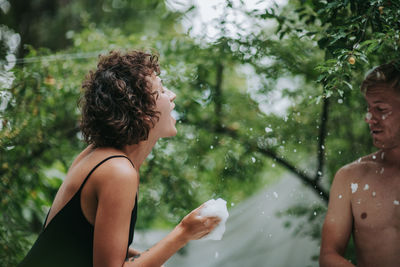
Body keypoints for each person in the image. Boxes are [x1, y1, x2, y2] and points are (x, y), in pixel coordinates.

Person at [19, 50, 221, 267]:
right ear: (141, 110)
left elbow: (85, 245)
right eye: (161, 90)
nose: (172, 95)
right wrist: (183, 232)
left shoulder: (99, 155)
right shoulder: (118, 171)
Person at [320, 62, 400, 266]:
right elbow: (328, 255)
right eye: (369, 108)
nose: (369, 118)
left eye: (380, 109)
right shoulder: (350, 177)